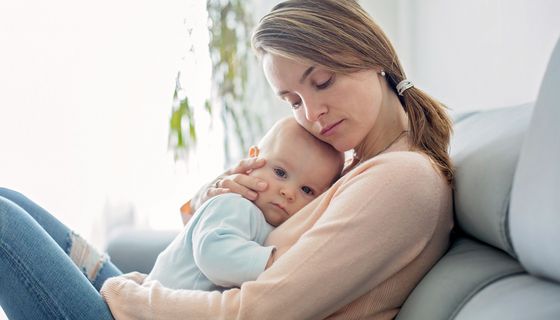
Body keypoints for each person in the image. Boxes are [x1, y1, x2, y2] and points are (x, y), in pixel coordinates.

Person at [0, 0, 454, 319]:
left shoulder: (402, 180)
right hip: (185, 301)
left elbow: (257, 311)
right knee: (9, 198)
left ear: (370, 55)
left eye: (322, 81)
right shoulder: (357, 164)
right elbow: (229, 247)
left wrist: (126, 296)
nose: (312, 114)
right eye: (292, 100)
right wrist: (213, 199)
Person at [145, 117, 344, 291]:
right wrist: (273, 262)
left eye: (307, 190)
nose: (289, 192)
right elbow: (212, 254)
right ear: (253, 158)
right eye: (280, 173)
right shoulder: (235, 204)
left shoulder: (281, 225)